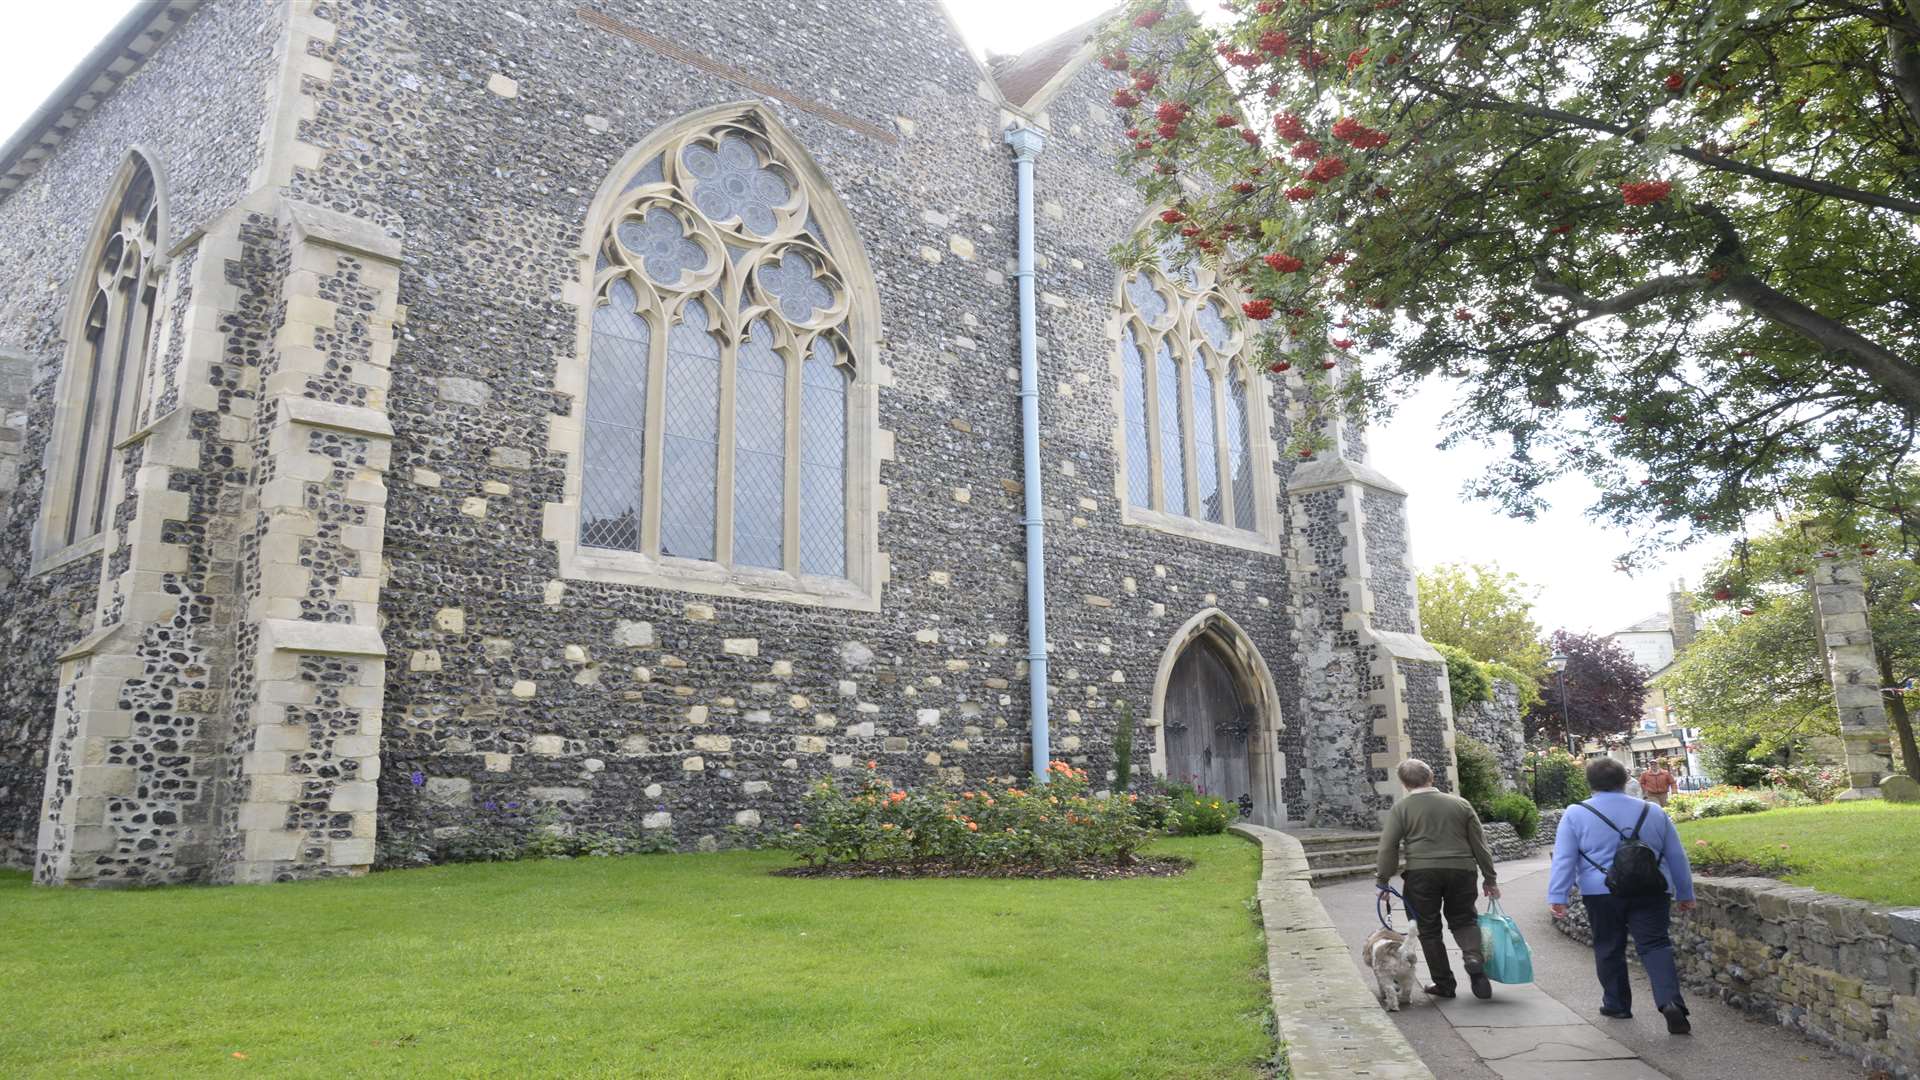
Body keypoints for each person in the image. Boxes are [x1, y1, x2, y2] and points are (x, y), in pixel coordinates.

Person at [1548, 756, 1698, 1034]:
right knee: (1655, 945)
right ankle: (1670, 1002)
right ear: (1624, 780)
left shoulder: (1576, 813)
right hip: (1652, 889)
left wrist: (1558, 896)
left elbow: (1565, 859)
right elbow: (1677, 856)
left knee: (1608, 946)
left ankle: (1617, 1004)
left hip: (1601, 891)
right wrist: (1685, 892)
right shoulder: (1653, 811)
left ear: (1590, 783)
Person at [1374, 758, 1500, 1000]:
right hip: (1462, 870)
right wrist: (1489, 878)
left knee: (1429, 929)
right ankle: (1473, 957)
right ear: (1431, 777)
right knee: (1464, 919)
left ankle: (1444, 984)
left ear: (1403, 783)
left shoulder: (1402, 808)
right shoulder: (1460, 804)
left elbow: (1388, 847)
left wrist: (1383, 879)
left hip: (1421, 874)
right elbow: (1480, 845)